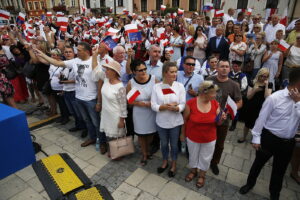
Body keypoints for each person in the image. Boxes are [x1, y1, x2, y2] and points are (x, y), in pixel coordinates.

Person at [239, 68, 300, 200]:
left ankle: (274, 194)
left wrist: (298, 103)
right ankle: (250, 184)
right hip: (269, 139)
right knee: (258, 164)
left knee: (279, 171)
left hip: (288, 143)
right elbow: (262, 118)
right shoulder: (274, 98)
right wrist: (256, 138)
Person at [34, 42, 106, 149]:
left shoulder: (94, 61)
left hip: (91, 99)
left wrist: (99, 102)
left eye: (79, 50)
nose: (77, 52)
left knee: (96, 122)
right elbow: (57, 63)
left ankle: (102, 141)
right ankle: (92, 137)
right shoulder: (75, 61)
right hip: (79, 97)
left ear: (86, 51)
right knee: (87, 120)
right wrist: (42, 54)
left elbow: (100, 83)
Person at [181, 81, 226, 188]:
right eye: (213, 93)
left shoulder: (215, 103)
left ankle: (202, 175)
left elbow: (218, 123)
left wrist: (221, 119)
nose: (215, 95)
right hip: (193, 136)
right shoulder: (190, 103)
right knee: (193, 155)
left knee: (206, 158)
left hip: (209, 138)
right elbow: (184, 120)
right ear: (204, 93)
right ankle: (193, 171)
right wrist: (182, 134)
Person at [206, 60, 242, 175]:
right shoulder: (209, 80)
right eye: (222, 66)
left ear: (230, 69)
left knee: (219, 144)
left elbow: (240, 102)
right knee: (206, 141)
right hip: (208, 118)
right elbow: (201, 95)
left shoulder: (234, 85)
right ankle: (204, 159)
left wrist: (230, 110)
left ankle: (214, 162)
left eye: (227, 67)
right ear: (217, 67)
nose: (224, 69)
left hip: (223, 120)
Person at [151, 62, 186, 177]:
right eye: (172, 72)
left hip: (175, 122)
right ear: (165, 73)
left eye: (176, 71)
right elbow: (153, 105)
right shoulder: (156, 87)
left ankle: (174, 163)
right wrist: (163, 107)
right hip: (161, 121)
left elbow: (182, 104)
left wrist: (177, 108)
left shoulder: (179, 86)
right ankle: (165, 161)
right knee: (164, 144)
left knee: (174, 145)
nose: (175, 74)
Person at [92, 58, 127, 159]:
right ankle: (112, 150)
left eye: (108, 70)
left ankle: (119, 153)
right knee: (109, 135)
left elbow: (123, 106)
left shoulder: (120, 87)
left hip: (116, 116)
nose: (105, 71)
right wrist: (94, 55)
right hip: (106, 114)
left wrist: (122, 120)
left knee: (117, 136)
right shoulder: (106, 79)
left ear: (114, 72)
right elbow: (96, 70)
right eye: (106, 69)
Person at [126, 60, 158, 165]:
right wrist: (140, 104)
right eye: (140, 70)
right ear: (134, 72)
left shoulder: (154, 79)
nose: (143, 72)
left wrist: (152, 103)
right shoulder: (132, 82)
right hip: (139, 112)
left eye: (144, 69)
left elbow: (160, 95)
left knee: (151, 134)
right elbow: (129, 101)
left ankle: (147, 150)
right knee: (141, 134)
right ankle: (144, 154)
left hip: (151, 112)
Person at [238, 68, 272, 143]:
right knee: (248, 123)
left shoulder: (269, 84)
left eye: (265, 76)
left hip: (262, 107)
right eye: (262, 76)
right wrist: (254, 90)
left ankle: (255, 138)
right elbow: (248, 97)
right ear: (259, 75)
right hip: (252, 106)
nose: (263, 78)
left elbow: (267, 97)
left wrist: (266, 86)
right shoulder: (252, 82)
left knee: (258, 123)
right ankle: (244, 137)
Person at [60, 46, 87, 136]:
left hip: (75, 91)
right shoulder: (64, 65)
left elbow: (80, 78)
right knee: (72, 112)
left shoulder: (78, 63)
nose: (68, 54)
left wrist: (65, 81)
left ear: (74, 53)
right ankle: (78, 125)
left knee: (79, 112)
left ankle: (85, 128)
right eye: (66, 52)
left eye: (70, 52)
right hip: (67, 91)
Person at [228, 61, 248, 131]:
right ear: (232, 66)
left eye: (237, 66)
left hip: (237, 95)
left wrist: (236, 87)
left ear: (240, 67)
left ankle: (234, 124)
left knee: (236, 109)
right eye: (234, 66)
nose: (235, 67)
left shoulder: (243, 75)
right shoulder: (229, 74)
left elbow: (244, 86)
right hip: (229, 94)